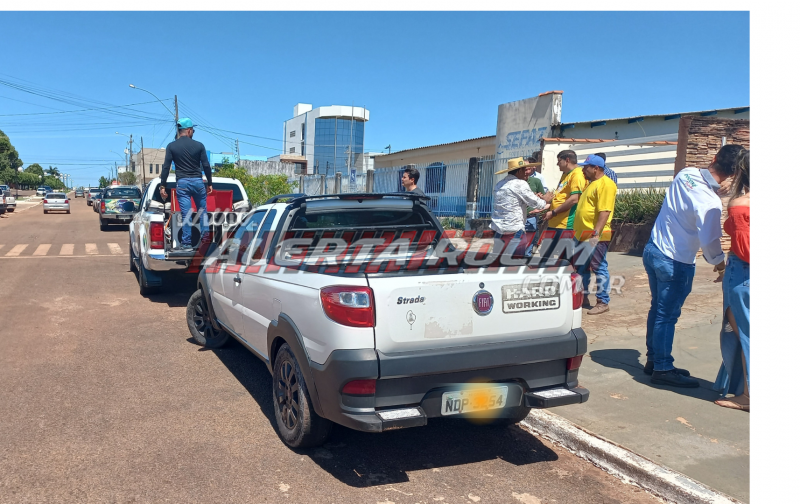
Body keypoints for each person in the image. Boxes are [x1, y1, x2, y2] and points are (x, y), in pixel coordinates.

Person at [643, 144, 744, 388]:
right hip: (675, 261)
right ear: (734, 174)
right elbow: (709, 241)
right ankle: (663, 368)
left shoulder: (685, 174)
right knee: (667, 316)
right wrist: (720, 265)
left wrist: (716, 192)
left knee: (657, 309)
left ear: (713, 157)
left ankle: (654, 359)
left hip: (654, 249)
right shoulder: (710, 202)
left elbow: (694, 197)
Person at [713, 149, 750, 411]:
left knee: (745, 334)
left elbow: (745, 249)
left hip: (743, 274)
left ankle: (748, 396)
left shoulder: (741, 205)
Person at [572, 155, 618, 315]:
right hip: (582, 234)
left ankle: (603, 301)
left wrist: (596, 232)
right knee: (581, 267)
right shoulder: (592, 184)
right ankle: (582, 297)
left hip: (595, 235)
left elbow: (604, 211)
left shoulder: (606, 185)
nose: (584, 169)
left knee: (599, 267)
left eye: (586, 167)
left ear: (596, 168)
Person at [160, 118, 213, 250]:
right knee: (203, 212)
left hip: (182, 183)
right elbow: (206, 166)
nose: (193, 132)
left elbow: (166, 167)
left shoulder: (171, 146)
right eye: (193, 130)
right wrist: (210, 183)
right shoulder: (199, 146)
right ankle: (205, 241)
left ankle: (187, 243)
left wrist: (162, 186)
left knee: (186, 214)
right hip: (198, 182)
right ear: (189, 130)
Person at [490, 157, 552, 257]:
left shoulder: (500, 184)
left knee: (498, 260)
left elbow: (513, 202)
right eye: (525, 170)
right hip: (514, 230)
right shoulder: (520, 183)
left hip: (499, 229)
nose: (527, 172)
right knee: (515, 262)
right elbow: (538, 204)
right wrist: (546, 199)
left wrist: (532, 198)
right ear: (519, 171)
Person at [540, 150, 588, 263]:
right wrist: (547, 203)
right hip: (555, 222)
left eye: (559, 161)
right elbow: (560, 196)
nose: (557, 164)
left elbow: (574, 199)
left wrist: (554, 212)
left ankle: (567, 278)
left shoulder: (577, 175)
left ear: (567, 160)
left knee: (564, 258)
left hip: (566, 224)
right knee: (547, 255)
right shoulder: (566, 174)